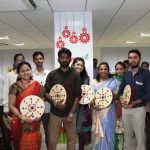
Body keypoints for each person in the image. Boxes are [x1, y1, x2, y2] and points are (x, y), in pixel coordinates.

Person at [45, 48, 81, 150]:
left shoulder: (76, 75)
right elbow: (46, 92)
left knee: (71, 140)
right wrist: (55, 103)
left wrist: (71, 114)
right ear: (58, 59)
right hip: (55, 113)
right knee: (52, 140)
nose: (64, 59)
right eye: (62, 57)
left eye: (66, 58)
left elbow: (77, 96)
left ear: (70, 59)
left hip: (70, 113)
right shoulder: (52, 74)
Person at [118, 49, 150, 150]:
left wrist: (134, 103)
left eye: (135, 57)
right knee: (127, 136)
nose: (133, 60)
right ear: (128, 59)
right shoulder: (126, 75)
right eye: (130, 58)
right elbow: (120, 91)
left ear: (139, 59)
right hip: (125, 109)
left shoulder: (146, 74)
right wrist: (121, 99)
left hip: (139, 110)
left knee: (140, 136)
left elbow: (148, 94)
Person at [9, 61, 44, 150]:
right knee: (21, 144)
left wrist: (38, 115)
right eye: (22, 71)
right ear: (19, 73)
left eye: (27, 70)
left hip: (34, 120)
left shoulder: (37, 85)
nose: (26, 73)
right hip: (20, 120)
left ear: (31, 71)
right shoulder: (14, 86)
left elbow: (41, 103)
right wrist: (22, 117)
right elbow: (11, 105)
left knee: (34, 143)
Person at [91, 62, 119, 150]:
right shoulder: (94, 82)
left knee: (108, 132)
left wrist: (104, 105)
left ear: (108, 70)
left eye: (105, 69)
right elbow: (90, 97)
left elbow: (115, 97)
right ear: (98, 71)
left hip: (109, 111)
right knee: (97, 133)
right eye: (101, 69)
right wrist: (93, 105)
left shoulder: (114, 82)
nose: (103, 71)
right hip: (96, 111)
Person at [72, 57, 92, 150]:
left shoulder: (86, 78)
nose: (79, 67)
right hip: (71, 107)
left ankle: (81, 148)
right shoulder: (68, 77)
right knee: (71, 131)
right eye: (77, 64)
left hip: (83, 107)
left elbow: (87, 93)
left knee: (82, 132)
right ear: (73, 65)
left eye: (81, 65)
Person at [32, 51, 50, 149]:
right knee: (34, 133)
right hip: (34, 109)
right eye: (36, 59)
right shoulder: (31, 75)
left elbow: (52, 90)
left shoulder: (50, 73)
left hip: (47, 108)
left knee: (48, 133)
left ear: (43, 59)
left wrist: (45, 98)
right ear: (33, 60)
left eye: (40, 58)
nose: (38, 61)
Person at [114, 62, 126, 150]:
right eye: (117, 69)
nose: (119, 71)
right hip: (113, 107)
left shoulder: (128, 79)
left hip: (125, 107)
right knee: (115, 130)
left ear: (124, 69)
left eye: (121, 69)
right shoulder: (112, 80)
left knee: (124, 130)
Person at [0, 74, 12, 150]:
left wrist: (5, 107)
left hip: (1, 106)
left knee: (5, 129)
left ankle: (8, 146)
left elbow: (5, 94)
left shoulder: (2, 78)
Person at [141, 61, 150, 150]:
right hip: (140, 107)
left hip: (148, 107)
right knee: (143, 129)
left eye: (145, 67)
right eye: (142, 66)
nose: (144, 68)